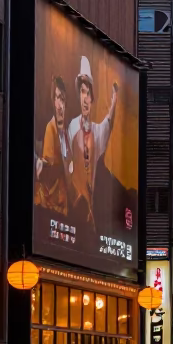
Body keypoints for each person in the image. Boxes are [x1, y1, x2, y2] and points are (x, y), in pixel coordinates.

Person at [66, 56, 119, 233]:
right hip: (74, 203)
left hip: (90, 208)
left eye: (88, 93)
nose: (85, 98)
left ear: (92, 98)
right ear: (78, 95)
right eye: (82, 92)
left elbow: (108, 123)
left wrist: (114, 100)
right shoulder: (72, 126)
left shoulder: (96, 131)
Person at [34, 75, 71, 215]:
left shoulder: (68, 131)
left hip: (64, 200)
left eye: (62, 99)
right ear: (53, 101)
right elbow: (48, 166)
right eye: (57, 98)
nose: (60, 105)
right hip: (50, 201)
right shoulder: (51, 128)